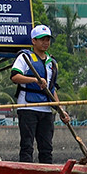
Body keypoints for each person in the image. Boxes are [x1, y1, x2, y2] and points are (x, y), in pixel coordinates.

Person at [12, 23, 58, 164]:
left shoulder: (52, 62)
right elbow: (15, 76)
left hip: (46, 108)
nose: (45, 43)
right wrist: (34, 80)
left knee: (46, 147)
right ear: (34, 41)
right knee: (27, 145)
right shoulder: (25, 57)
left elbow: (52, 88)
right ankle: (26, 172)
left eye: (47, 39)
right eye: (42, 39)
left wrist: (60, 109)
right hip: (28, 107)